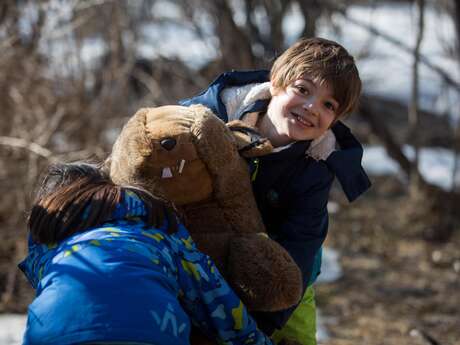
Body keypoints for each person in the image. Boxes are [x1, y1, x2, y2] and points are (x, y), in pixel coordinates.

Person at [180, 37, 371, 345]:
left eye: (328, 104)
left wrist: (253, 331)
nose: (311, 107)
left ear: (335, 120)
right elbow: (151, 145)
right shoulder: (212, 114)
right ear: (276, 83)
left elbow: (301, 244)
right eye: (303, 89)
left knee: (293, 329)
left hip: (281, 259)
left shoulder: (315, 166)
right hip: (197, 240)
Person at [18, 162, 275, 345]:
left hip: (52, 329)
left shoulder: (50, 240)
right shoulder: (158, 232)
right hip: (150, 327)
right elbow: (214, 296)